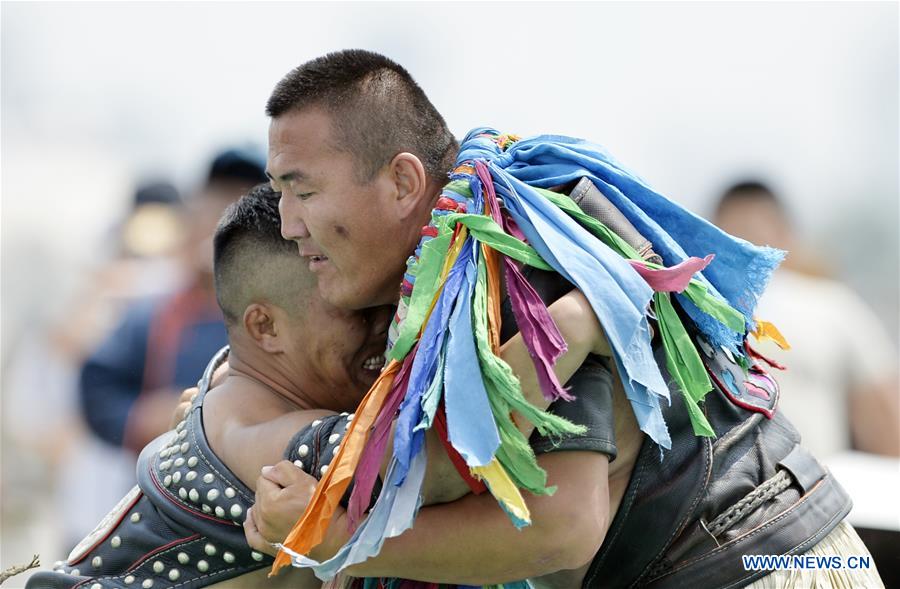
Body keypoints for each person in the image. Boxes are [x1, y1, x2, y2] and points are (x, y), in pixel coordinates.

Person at [246, 50, 883, 588]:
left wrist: (338, 540)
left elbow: (563, 527)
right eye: (279, 194)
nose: (288, 225)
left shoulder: (508, 258)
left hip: (759, 564)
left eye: (304, 191)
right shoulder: (453, 266)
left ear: (404, 183)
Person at [28, 186, 608, 589]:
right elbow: (445, 461)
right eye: (352, 308)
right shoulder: (264, 441)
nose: (387, 327)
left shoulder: (231, 379)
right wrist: (571, 324)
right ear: (265, 327)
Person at [79, 148, 267, 455]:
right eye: (213, 206)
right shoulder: (152, 312)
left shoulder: (278, 319)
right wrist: (143, 418)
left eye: (237, 208)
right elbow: (99, 390)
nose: (220, 222)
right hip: (161, 473)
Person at [713, 180, 899, 459]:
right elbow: (884, 421)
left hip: (812, 481)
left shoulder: (833, 306)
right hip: (791, 478)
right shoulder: (833, 304)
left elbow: (883, 416)